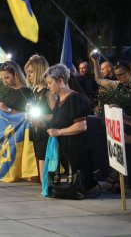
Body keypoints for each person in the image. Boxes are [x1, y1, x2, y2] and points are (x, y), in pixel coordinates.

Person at [44, 64, 106, 192]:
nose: (48, 86)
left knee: (83, 184)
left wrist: (59, 132)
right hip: (66, 148)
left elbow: (81, 125)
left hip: (76, 149)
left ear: (61, 81)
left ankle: (109, 185)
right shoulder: (59, 100)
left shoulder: (74, 99)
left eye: (50, 83)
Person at [24, 55, 55, 182]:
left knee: (43, 158)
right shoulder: (35, 90)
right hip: (36, 129)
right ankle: (44, 184)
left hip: (45, 130)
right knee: (39, 157)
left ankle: (46, 185)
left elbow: (57, 115)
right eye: (27, 72)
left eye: (31, 72)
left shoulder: (48, 92)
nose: (28, 75)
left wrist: (40, 116)